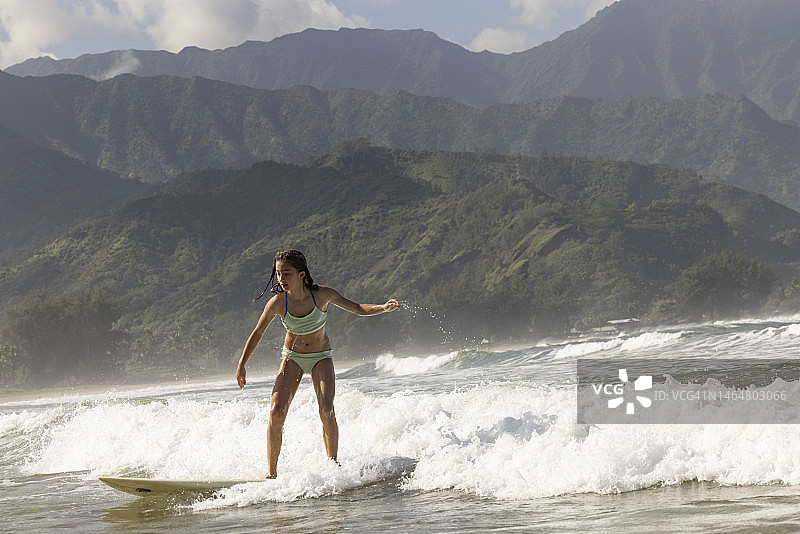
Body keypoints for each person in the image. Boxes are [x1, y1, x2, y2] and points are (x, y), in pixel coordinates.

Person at [236, 249, 400, 478]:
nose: (281, 279)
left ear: (301, 274)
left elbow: (357, 308)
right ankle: (271, 473)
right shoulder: (277, 303)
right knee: (276, 412)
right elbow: (257, 333)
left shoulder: (322, 295)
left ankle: (332, 465)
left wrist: (383, 307)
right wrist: (242, 364)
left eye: (286, 274)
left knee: (326, 409)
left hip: (320, 357)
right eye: (278, 275)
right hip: (292, 358)